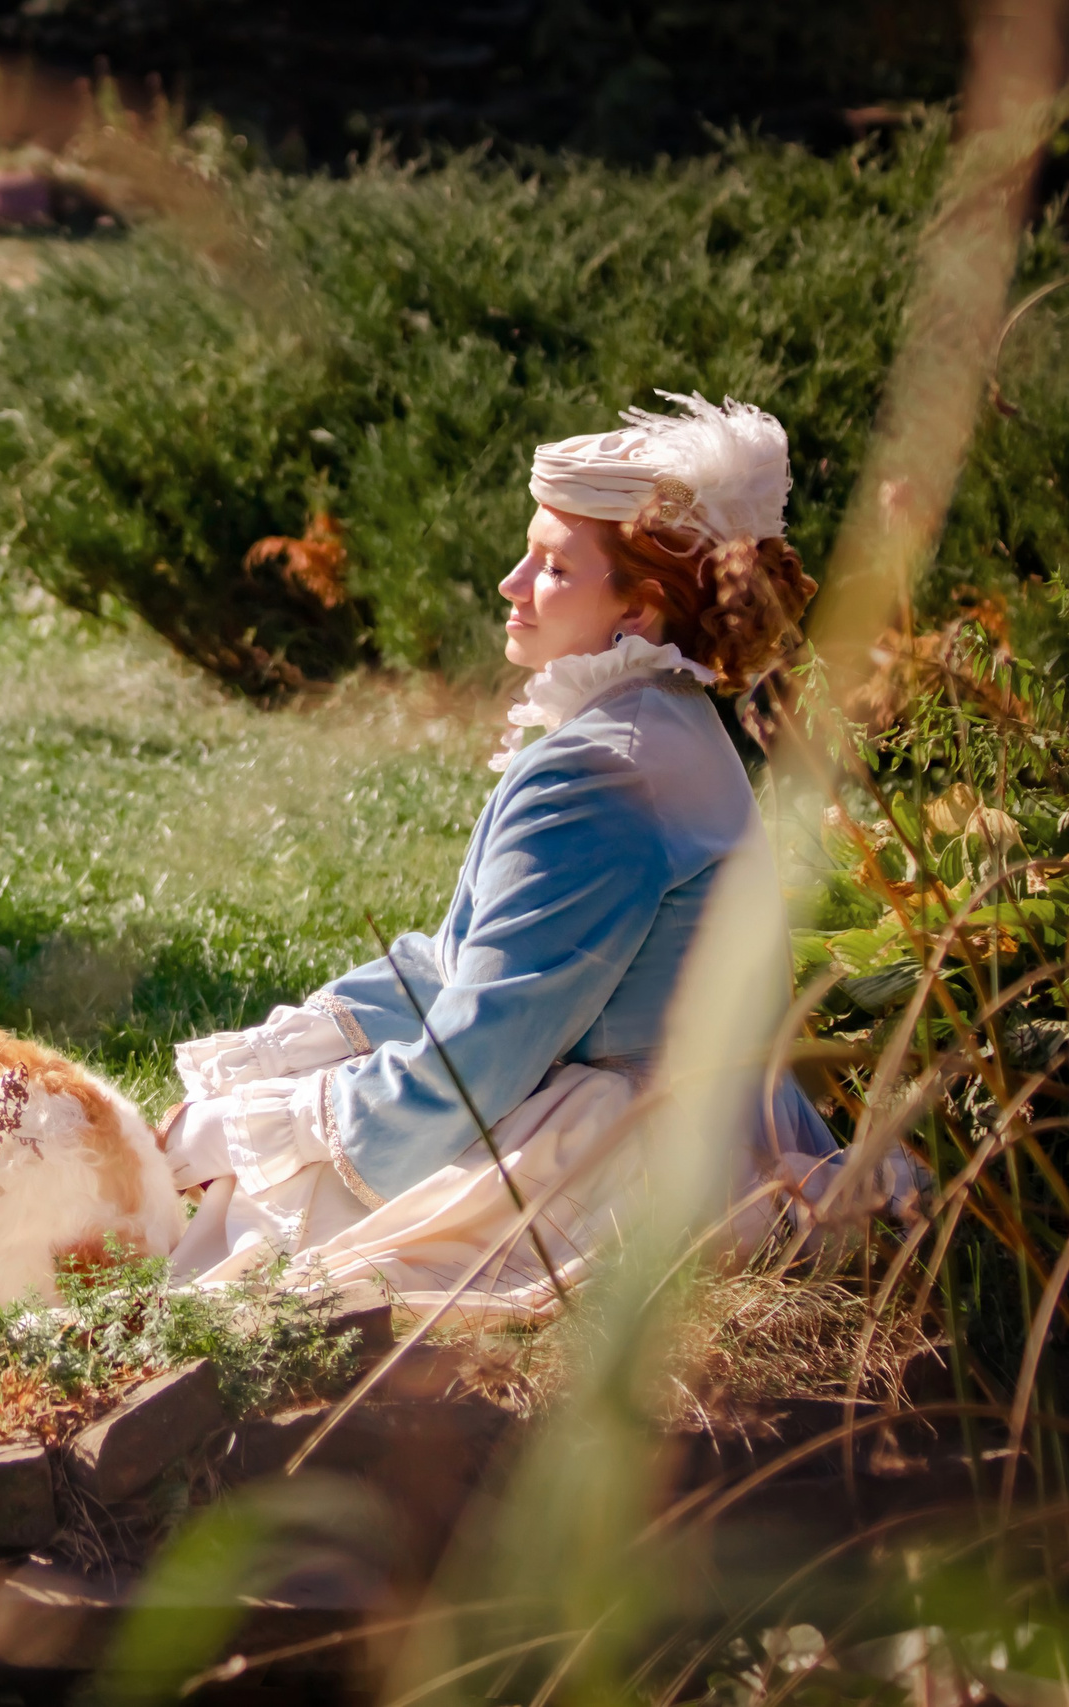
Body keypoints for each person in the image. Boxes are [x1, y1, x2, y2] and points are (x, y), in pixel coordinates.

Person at [162, 392, 864, 1323]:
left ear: (641, 610)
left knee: (264, 1221)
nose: (511, 581)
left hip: (635, 1164)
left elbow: (481, 1053)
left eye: (553, 566)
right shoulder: (659, 724)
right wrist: (281, 1054)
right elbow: (465, 959)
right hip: (716, 1128)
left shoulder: (603, 773)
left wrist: (266, 1128)